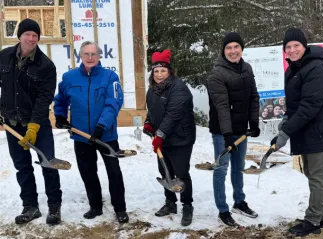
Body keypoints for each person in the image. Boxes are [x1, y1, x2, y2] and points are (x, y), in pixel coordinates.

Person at [272, 28, 323, 237]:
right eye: (288, 47)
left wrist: (285, 133)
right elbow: (296, 106)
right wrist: (286, 119)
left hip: (319, 133)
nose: (292, 50)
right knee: (313, 176)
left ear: (305, 46)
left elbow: (309, 106)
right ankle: (320, 217)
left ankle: (312, 220)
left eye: (296, 46)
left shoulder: (317, 69)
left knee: (318, 178)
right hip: (306, 132)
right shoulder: (293, 69)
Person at [53, 41, 129, 223]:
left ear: (99, 56)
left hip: (106, 135)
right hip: (81, 136)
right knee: (88, 172)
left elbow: (114, 102)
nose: (90, 57)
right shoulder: (69, 77)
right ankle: (95, 206)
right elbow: (61, 99)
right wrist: (60, 116)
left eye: (93, 54)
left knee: (114, 172)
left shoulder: (110, 77)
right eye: (86, 54)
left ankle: (120, 208)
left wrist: (102, 125)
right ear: (80, 56)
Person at [0, 18, 62, 225]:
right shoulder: (4, 57)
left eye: (35, 35)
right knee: (23, 167)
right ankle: (30, 206)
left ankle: (54, 207)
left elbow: (44, 99)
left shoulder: (46, 66)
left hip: (38, 125)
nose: (31, 38)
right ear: (20, 36)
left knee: (48, 164)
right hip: (12, 124)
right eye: (27, 34)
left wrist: (34, 126)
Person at [206, 32, 260, 226]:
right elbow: (221, 106)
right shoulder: (217, 74)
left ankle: (239, 201)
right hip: (223, 131)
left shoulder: (247, 68)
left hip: (241, 129)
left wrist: (254, 122)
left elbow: (254, 97)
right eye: (228, 48)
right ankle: (223, 209)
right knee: (221, 169)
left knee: (238, 168)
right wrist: (227, 134)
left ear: (241, 49)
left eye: (236, 47)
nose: (233, 51)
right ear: (223, 50)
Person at [143, 49, 196, 226]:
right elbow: (153, 111)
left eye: (163, 71)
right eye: (156, 71)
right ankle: (170, 203)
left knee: (181, 173)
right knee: (165, 171)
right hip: (163, 139)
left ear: (170, 71)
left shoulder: (179, 88)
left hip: (181, 138)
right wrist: (149, 123)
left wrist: (159, 135)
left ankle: (187, 206)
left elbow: (173, 115)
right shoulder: (152, 90)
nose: (159, 74)